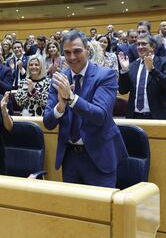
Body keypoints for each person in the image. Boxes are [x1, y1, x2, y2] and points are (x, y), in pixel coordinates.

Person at [43, 30, 127, 187]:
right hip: (70, 158)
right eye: (67, 53)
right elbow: (48, 122)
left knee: (101, 209)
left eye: (77, 51)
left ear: (87, 51)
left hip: (99, 156)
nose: (72, 57)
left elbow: (100, 115)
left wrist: (72, 99)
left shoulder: (105, 75)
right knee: (74, 209)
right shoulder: (59, 79)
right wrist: (60, 107)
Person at [118, 34, 166, 120]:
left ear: (153, 47)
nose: (140, 47)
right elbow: (123, 90)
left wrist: (153, 70)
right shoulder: (132, 65)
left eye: (144, 44)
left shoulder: (165, 62)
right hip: (134, 116)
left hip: (158, 116)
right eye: (138, 44)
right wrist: (124, 71)